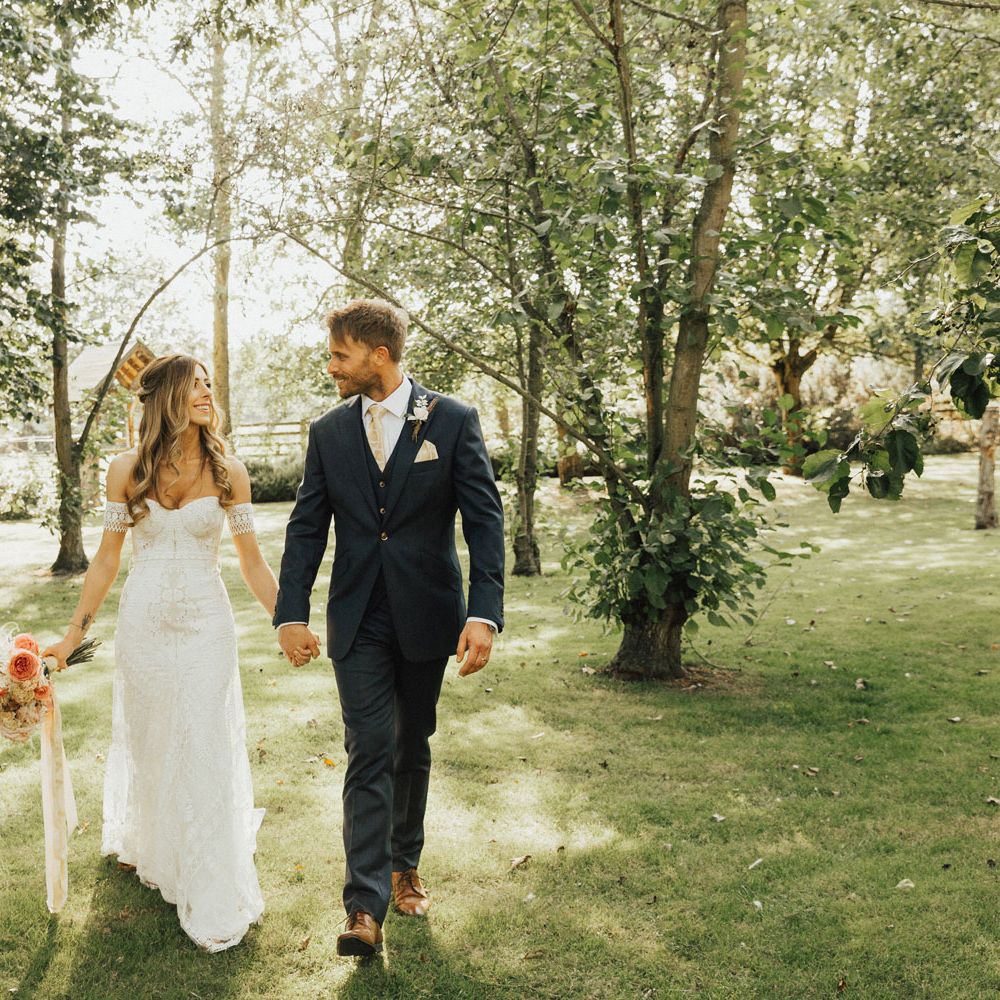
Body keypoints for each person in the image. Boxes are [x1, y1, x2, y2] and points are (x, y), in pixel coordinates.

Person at [43, 354, 315, 952]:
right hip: (143, 623)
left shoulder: (228, 472)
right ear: (166, 395)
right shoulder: (125, 468)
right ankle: (160, 848)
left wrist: (287, 619)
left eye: (209, 385)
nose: (206, 392)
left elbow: (251, 562)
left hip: (206, 625)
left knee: (201, 738)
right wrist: (71, 635)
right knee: (153, 735)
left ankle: (208, 873)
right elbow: (108, 560)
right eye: (195, 384)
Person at [274, 298, 505, 957]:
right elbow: (307, 528)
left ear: (380, 355)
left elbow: (484, 522)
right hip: (358, 617)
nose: (331, 366)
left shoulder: (452, 420)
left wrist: (483, 613)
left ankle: (406, 862)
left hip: (429, 611)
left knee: (412, 741)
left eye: (340, 355)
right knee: (370, 745)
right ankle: (364, 908)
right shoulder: (328, 432)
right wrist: (291, 612)